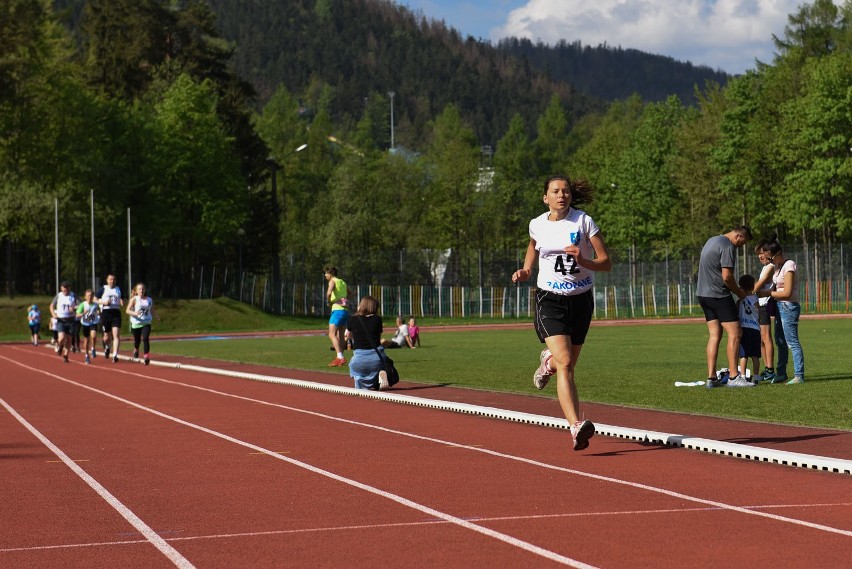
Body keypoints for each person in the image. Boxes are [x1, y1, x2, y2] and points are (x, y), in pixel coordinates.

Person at [511, 174, 612, 451]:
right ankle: (575, 426)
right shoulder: (537, 224)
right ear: (546, 197)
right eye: (555, 191)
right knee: (566, 362)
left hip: (581, 300)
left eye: (565, 191)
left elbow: (606, 263)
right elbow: (532, 246)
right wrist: (527, 270)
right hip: (550, 299)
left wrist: (583, 260)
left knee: (566, 364)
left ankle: (547, 364)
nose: (561, 195)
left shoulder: (584, 222)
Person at [696, 225, 754, 388]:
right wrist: (739, 292)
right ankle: (734, 377)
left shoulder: (711, 240)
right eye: (742, 243)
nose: (740, 246)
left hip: (703, 295)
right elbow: (727, 277)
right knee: (736, 333)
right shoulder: (727, 246)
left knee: (715, 335)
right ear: (738, 237)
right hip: (718, 295)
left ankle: (711, 378)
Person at [758, 237, 804, 384]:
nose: (769, 261)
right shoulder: (777, 268)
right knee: (780, 341)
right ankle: (781, 373)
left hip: (789, 307)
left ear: (778, 253)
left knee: (792, 342)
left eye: (770, 258)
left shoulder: (789, 265)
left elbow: (787, 293)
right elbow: (776, 288)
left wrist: (767, 294)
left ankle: (799, 375)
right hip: (779, 307)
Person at [346, 295, 390, 390]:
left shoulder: (352, 319)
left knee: (354, 368)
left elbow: (348, 336)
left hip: (359, 359)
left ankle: (361, 381)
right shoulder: (377, 319)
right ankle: (378, 377)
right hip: (377, 359)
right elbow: (378, 337)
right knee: (377, 367)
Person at [753, 242, 776, 381]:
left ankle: (770, 369)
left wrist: (748, 291)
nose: (760, 256)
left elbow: (758, 286)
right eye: (758, 254)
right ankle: (767, 368)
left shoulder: (771, 267)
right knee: (762, 338)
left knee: (766, 337)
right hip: (760, 305)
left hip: (765, 304)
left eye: (762, 253)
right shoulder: (765, 267)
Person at [736, 275, 761, 381]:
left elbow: (736, 311)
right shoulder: (756, 299)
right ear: (752, 286)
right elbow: (758, 310)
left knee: (744, 355)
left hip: (744, 329)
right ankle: (756, 376)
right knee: (755, 355)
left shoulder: (740, 301)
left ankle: (742, 376)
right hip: (755, 329)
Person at [324, 266, 349, 367]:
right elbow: (350, 293)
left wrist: (329, 302)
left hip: (337, 310)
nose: (325, 276)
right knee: (341, 335)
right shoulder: (343, 282)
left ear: (330, 274)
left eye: (326, 274)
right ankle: (340, 357)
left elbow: (329, 293)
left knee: (331, 334)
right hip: (345, 311)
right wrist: (345, 301)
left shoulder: (332, 281)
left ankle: (340, 357)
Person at [96, 274, 123, 363]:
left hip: (116, 312)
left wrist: (121, 301)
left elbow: (120, 298)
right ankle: (107, 346)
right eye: (110, 280)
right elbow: (94, 299)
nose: (112, 281)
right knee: (107, 336)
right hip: (106, 313)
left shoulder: (118, 289)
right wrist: (104, 302)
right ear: (107, 280)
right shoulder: (103, 289)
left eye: (114, 280)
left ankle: (115, 355)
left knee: (116, 334)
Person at [126, 282, 155, 365]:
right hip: (136, 323)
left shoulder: (149, 299)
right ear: (136, 291)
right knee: (137, 341)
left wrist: (156, 316)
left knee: (145, 338)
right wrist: (135, 313)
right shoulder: (134, 299)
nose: (141, 290)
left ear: (145, 290)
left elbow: (151, 309)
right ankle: (136, 349)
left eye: (143, 289)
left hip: (146, 322)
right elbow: (127, 310)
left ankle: (146, 356)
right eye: (140, 289)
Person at [49, 281, 77, 363]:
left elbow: (81, 304)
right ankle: (60, 346)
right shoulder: (59, 295)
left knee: (69, 340)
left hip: (71, 320)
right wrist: (53, 314)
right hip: (61, 320)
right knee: (61, 338)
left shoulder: (73, 295)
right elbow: (51, 306)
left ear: (69, 287)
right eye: (64, 287)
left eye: (67, 287)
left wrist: (74, 307)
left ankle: (65, 356)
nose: (66, 289)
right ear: (61, 288)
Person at [76, 289, 101, 364]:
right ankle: (86, 355)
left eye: (91, 296)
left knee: (93, 336)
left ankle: (93, 348)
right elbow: (77, 315)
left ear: (93, 296)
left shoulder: (95, 305)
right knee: (86, 340)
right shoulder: (83, 305)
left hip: (93, 322)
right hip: (85, 323)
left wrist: (99, 312)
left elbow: (99, 311)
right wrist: (83, 313)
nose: (90, 297)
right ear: (85, 297)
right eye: (88, 296)